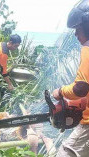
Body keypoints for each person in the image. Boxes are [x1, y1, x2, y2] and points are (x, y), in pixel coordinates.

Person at [52, 0, 89, 156]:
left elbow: (80, 88)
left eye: (78, 29)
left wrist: (61, 92)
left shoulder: (88, 48)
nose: (75, 34)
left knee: (65, 153)